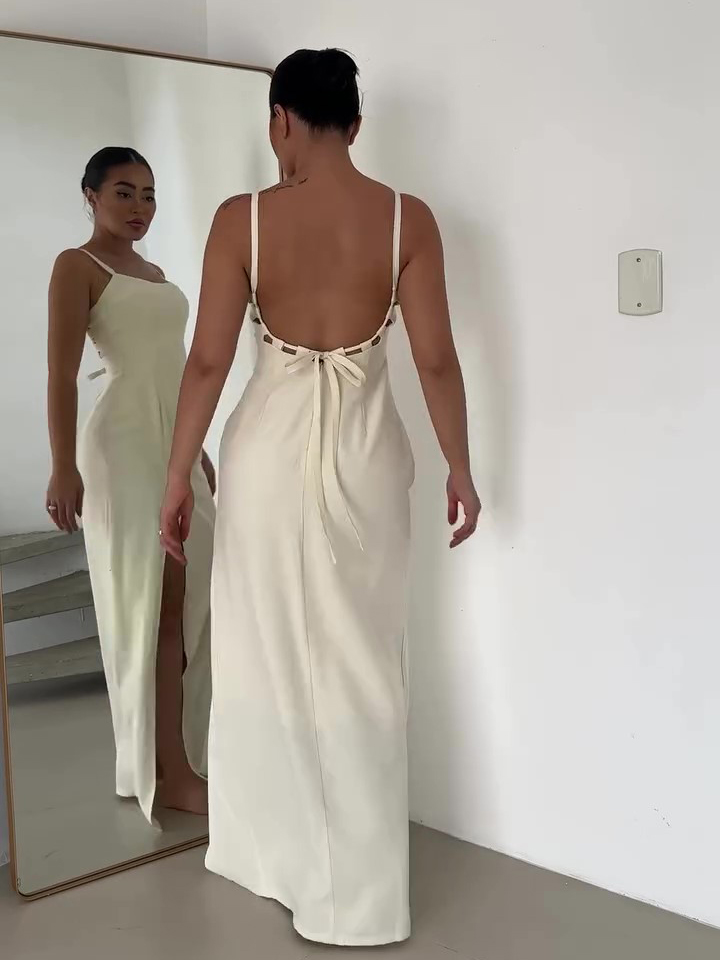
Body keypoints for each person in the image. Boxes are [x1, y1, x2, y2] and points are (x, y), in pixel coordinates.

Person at [160, 49, 480, 944]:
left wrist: (177, 474)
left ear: (281, 120)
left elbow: (208, 362)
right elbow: (436, 360)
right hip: (368, 459)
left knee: (265, 654)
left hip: (265, 461)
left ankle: (286, 862)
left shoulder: (243, 220)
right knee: (364, 663)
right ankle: (361, 893)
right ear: (357, 122)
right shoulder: (407, 218)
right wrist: (460, 467)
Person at [46, 147, 215, 821]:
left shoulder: (156, 274)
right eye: (124, 192)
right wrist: (63, 465)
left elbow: (179, 368)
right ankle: (168, 772)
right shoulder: (77, 266)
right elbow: (61, 375)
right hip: (121, 446)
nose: (139, 206)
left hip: (172, 446)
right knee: (154, 603)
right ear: (90, 195)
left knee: (188, 601)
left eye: (148, 195)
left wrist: (196, 454)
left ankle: (177, 757)